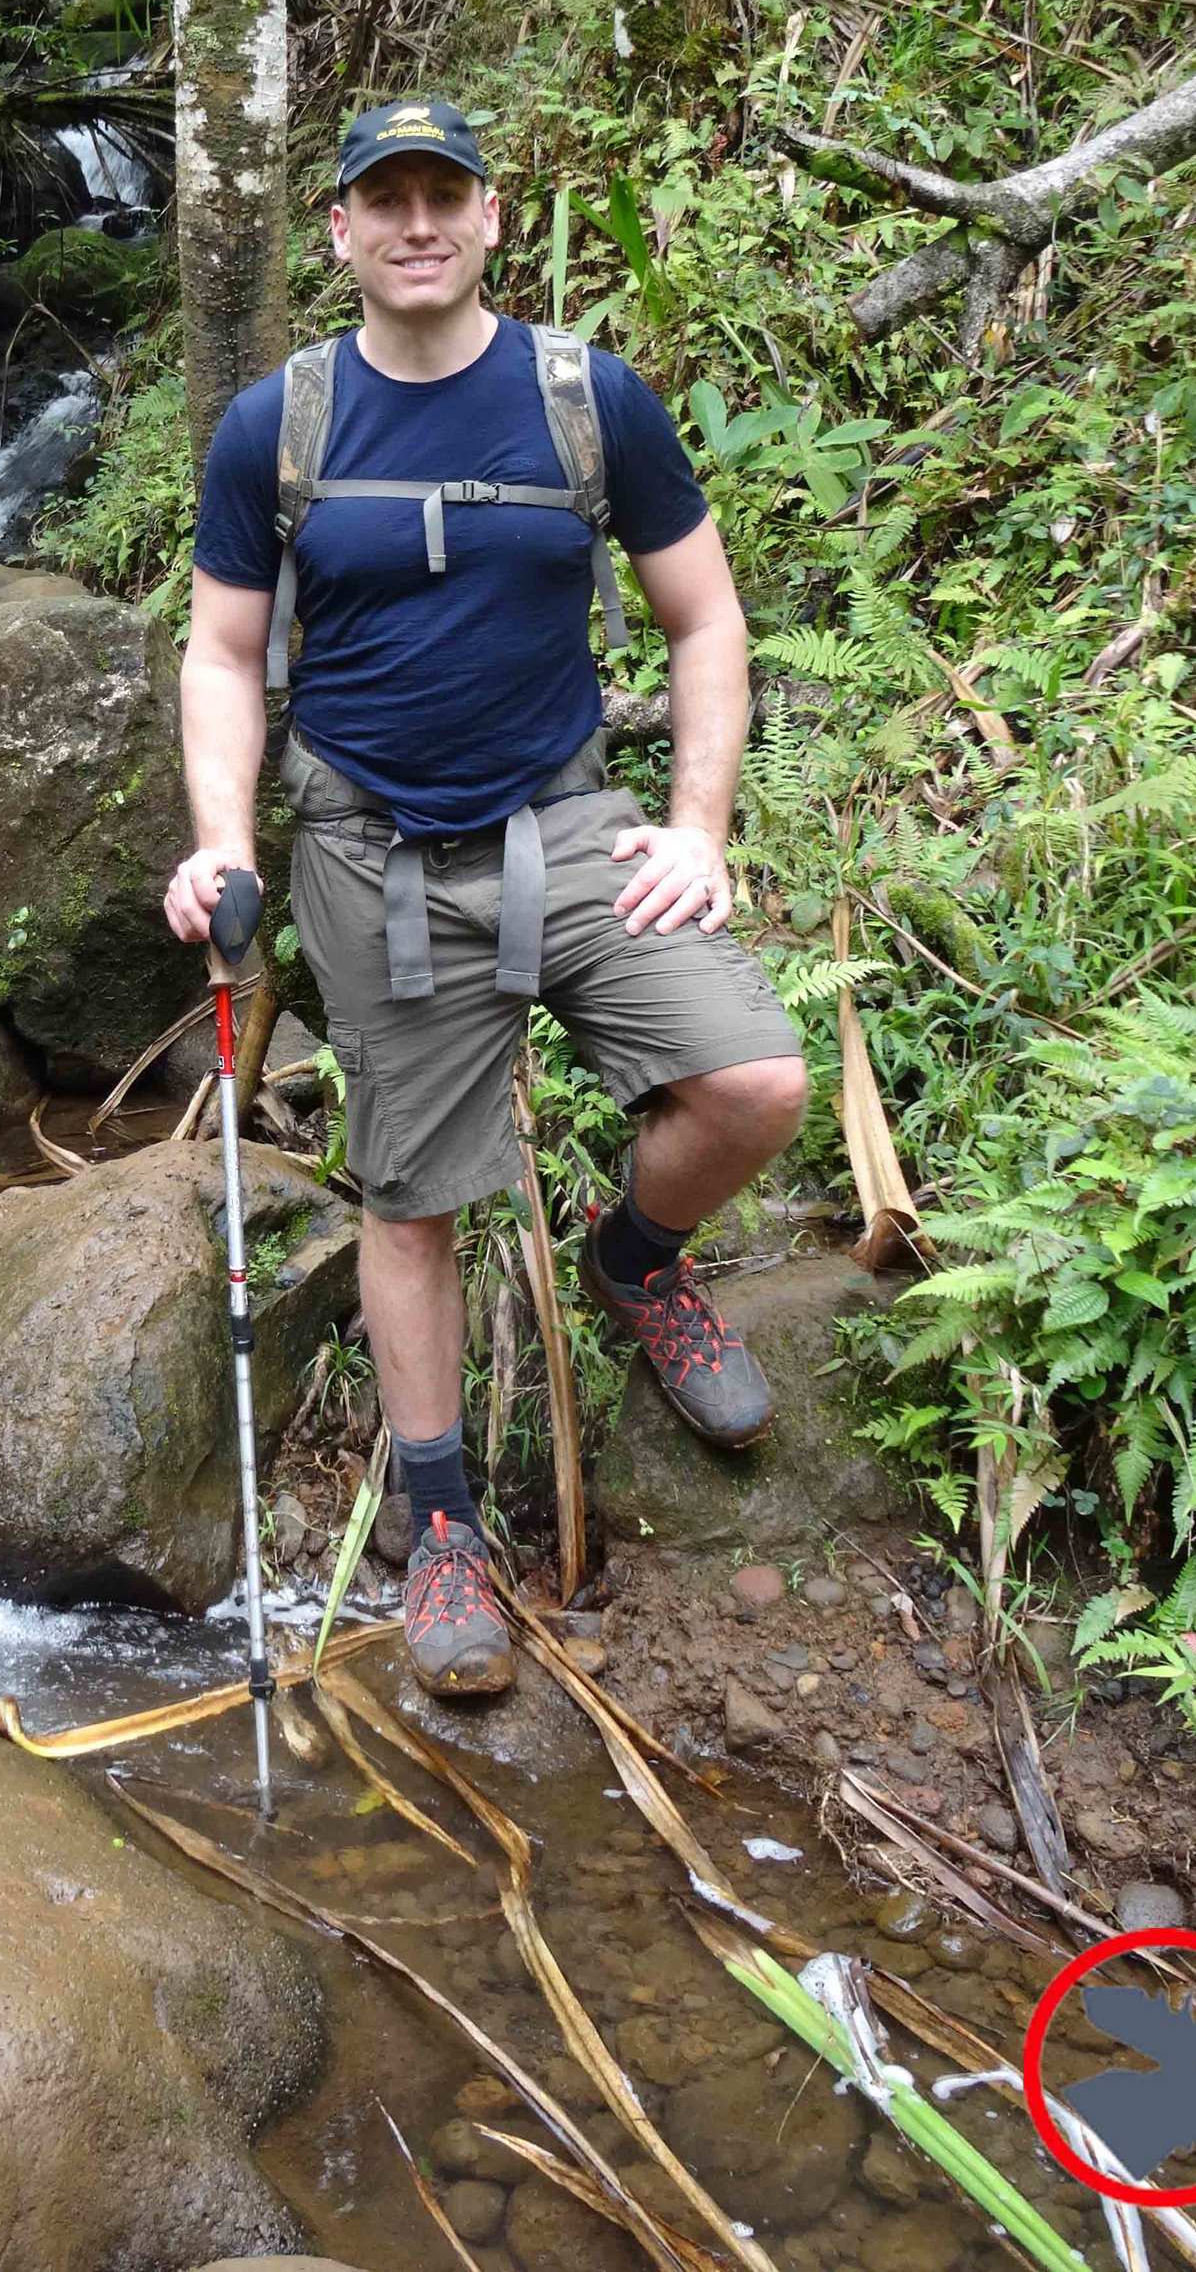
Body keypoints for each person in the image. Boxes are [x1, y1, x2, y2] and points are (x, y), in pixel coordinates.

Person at [164, 98, 808, 1700]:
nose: (416, 222)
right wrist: (222, 840)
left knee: (756, 1078)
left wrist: (698, 822)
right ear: (340, 231)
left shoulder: (592, 403)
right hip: (372, 852)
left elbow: (706, 620)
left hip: (567, 823)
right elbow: (224, 652)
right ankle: (441, 1522)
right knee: (413, 1196)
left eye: (443, 193)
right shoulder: (280, 427)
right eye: (384, 199)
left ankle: (637, 1258)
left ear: (493, 216)